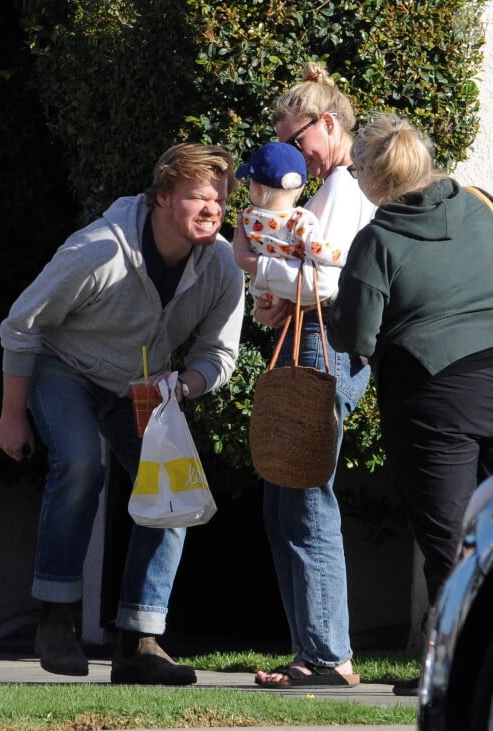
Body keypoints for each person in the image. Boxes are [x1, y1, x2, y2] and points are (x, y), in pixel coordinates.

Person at [0, 142, 245, 685]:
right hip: (67, 368)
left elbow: (220, 353)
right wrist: (12, 415)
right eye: (199, 198)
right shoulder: (99, 251)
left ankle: (139, 643)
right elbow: (21, 325)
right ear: (161, 198)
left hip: (146, 387)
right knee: (83, 465)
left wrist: (188, 382)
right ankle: (56, 618)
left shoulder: (223, 263)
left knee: (176, 496)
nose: (213, 210)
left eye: (221, 200)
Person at [328, 112, 493, 695]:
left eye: (354, 168)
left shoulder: (378, 238)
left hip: (434, 394)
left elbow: (356, 337)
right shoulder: (478, 206)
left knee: (450, 539)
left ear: (374, 176)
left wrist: (325, 310)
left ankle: (452, 673)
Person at [233, 61, 376, 688]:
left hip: (325, 347)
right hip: (312, 340)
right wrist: (276, 296)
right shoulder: (333, 188)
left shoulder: (345, 190)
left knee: (304, 494)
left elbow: (329, 279)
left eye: (298, 140)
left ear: (326, 122)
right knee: (285, 497)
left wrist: (259, 274)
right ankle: (313, 649)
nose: (295, 155)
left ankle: (327, 654)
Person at [236, 140, 344, 307]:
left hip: (265, 297)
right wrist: (345, 256)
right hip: (298, 296)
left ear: (255, 187)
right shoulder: (300, 219)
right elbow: (316, 250)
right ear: (301, 189)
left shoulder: (245, 218)